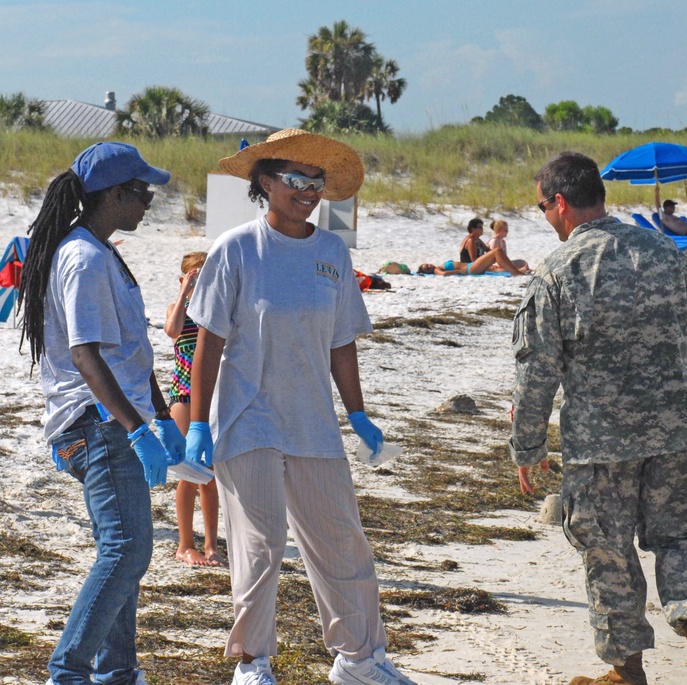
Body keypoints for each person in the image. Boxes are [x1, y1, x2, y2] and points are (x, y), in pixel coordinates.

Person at [183, 129, 417, 685]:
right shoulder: (236, 248)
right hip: (248, 421)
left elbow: (341, 342)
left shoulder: (332, 252)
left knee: (343, 542)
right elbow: (207, 343)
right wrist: (197, 425)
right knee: (261, 545)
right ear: (265, 183)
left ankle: (360, 659)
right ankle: (252, 662)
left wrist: (358, 414)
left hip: (313, 422)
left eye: (317, 182)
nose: (309, 190)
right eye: (296, 179)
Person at [511, 152, 687, 685]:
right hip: (682, 432)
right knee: (686, 538)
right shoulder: (666, 253)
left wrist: (527, 447)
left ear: (560, 203)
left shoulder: (557, 273)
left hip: (600, 445)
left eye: (543, 206)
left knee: (607, 554)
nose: (546, 217)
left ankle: (627, 671)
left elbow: (536, 370)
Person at [17, 142, 181, 685]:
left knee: (126, 555)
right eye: (142, 191)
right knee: (128, 549)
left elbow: (130, 351)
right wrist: (137, 431)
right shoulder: (83, 257)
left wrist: (160, 416)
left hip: (117, 422)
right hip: (97, 426)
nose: (150, 201)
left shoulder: (103, 252)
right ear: (113, 194)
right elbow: (86, 355)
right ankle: (67, 672)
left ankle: (118, 672)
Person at [163, 251, 223, 567]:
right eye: (196, 276)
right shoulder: (180, 310)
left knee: (210, 475)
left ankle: (211, 544)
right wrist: (185, 291)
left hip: (212, 395)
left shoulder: (216, 308)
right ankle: (185, 544)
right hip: (183, 396)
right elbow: (171, 331)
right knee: (189, 473)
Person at [416, 247, 530, 275]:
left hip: (470, 266)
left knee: (495, 268)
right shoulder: (437, 269)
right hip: (470, 269)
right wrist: (458, 272)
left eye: (427, 264)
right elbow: (443, 274)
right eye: (427, 268)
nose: (429, 266)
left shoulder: (438, 265)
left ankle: (520, 270)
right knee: (497, 252)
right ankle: (516, 273)